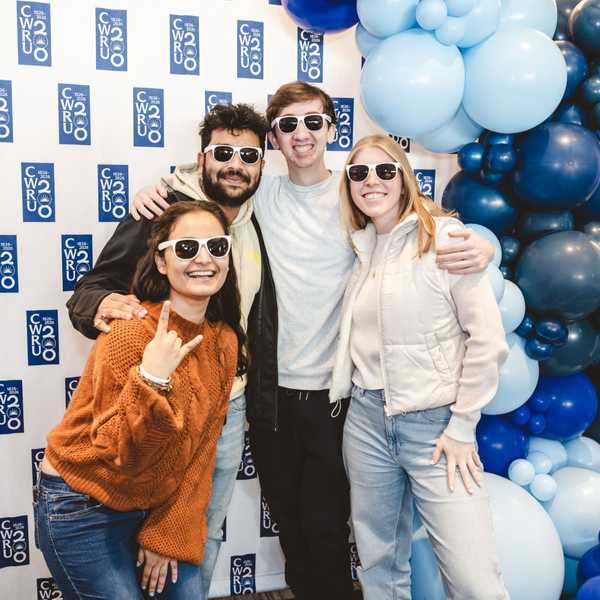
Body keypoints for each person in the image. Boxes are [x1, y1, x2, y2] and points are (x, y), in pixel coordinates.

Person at [131, 81, 496, 600]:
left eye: (312, 122)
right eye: (287, 125)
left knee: (329, 533)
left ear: (331, 128)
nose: (301, 134)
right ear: (275, 141)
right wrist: (160, 189)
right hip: (271, 397)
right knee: (294, 532)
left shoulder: (355, 193)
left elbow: (410, 218)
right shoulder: (264, 197)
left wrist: (476, 243)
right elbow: (212, 187)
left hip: (341, 400)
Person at [66, 103, 277, 597]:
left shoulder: (257, 220)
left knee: (202, 529)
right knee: (142, 533)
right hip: (155, 402)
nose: (236, 164)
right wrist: (106, 308)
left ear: (262, 165)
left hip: (228, 404)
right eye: (223, 152)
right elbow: (90, 290)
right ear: (202, 158)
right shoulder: (160, 214)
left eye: (248, 155)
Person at [35, 200, 246, 599]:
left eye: (217, 247)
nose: (204, 259)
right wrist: (152, 378)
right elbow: (124, 455)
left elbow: (199, 454)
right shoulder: (130, 333)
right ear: (162, 262)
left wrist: (165, 532)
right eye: (186, 248)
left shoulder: (225, 341)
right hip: (84, 503)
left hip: (153, 500)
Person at [330, 134, 510, 600]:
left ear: (404, 178)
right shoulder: (362, 247)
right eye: (359, 173)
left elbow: (487, 340)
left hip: (437, 430)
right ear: (349, 185)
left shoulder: (445, 239)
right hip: (367, 422)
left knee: (474, 581)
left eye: (385, 170)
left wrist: (464, 425)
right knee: (380, 567)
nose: (372, 181)